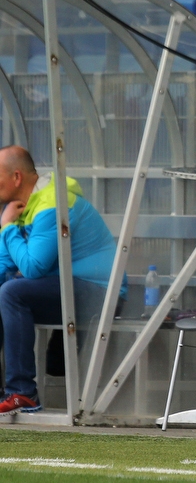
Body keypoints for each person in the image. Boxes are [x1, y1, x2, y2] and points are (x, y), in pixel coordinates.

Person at [0, 146, 127, 416]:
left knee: (12, 292)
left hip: (102, 292)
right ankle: (9, 393)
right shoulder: (22, 207)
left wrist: (8, 227)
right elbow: (4, 265)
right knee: (6, 289)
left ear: (17, 177)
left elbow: (33, 267)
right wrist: (8, 226)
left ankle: (22, 392)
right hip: (65, 288)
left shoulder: (51, 203)